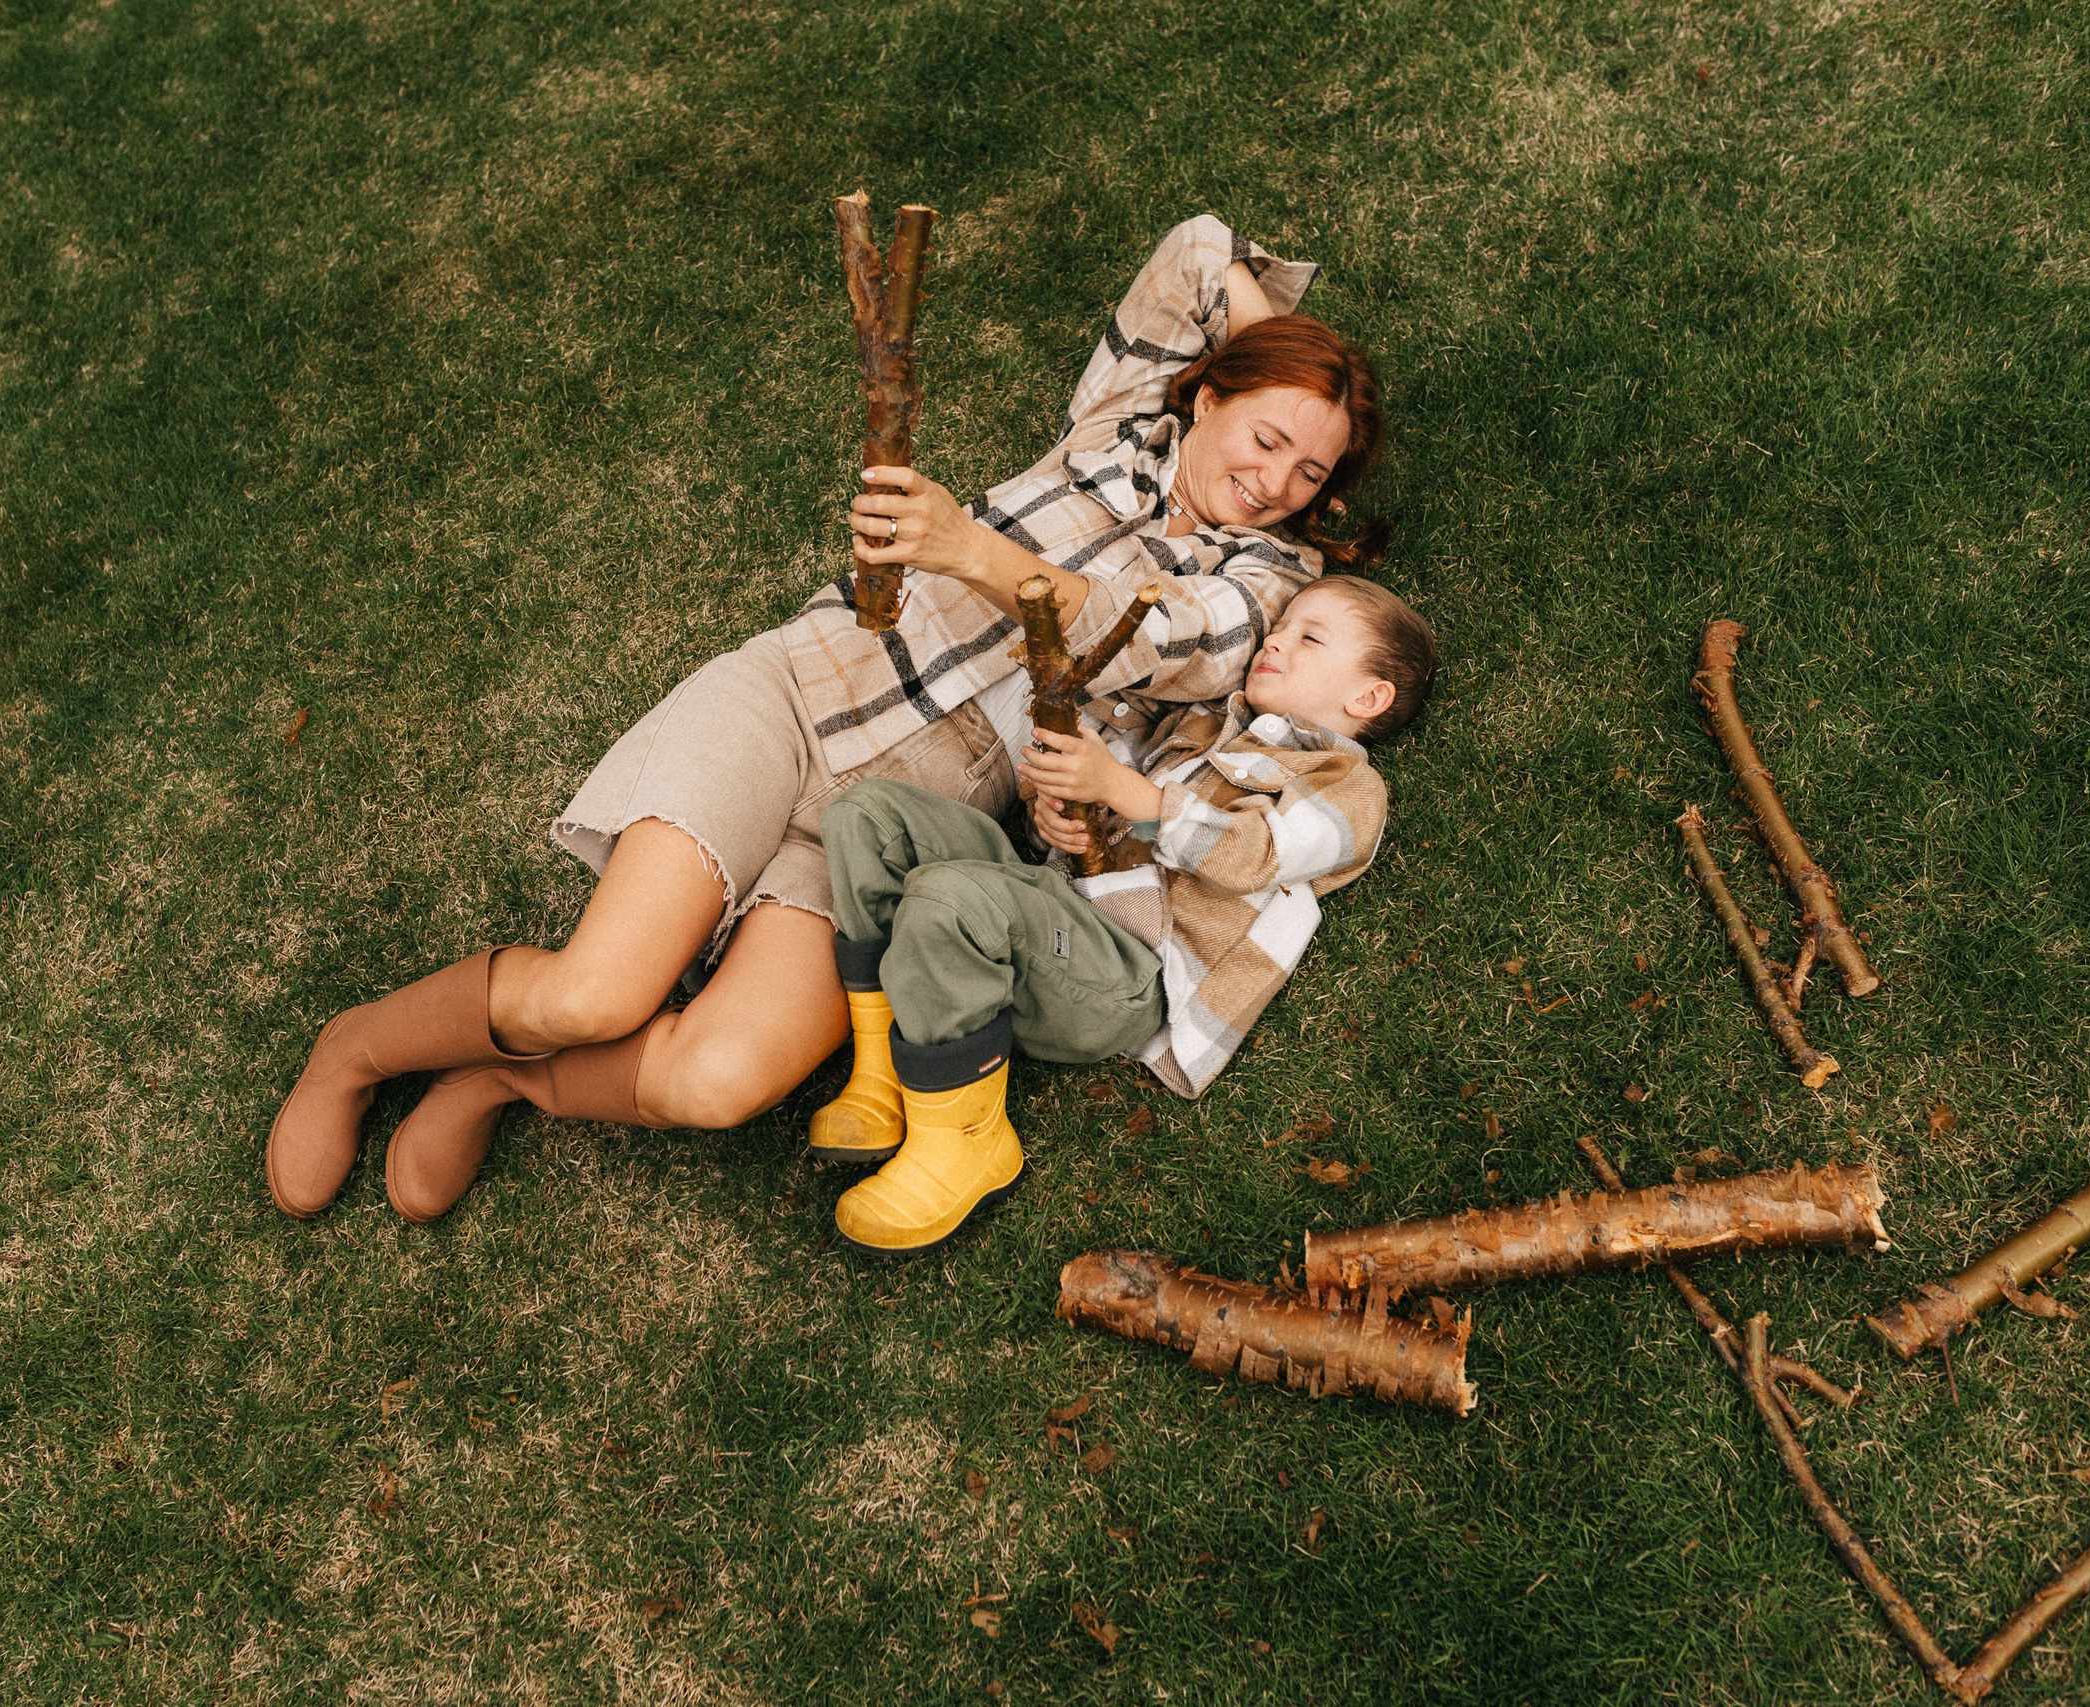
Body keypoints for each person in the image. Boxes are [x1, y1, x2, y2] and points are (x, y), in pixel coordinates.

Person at [265, 215, 1391, 1223]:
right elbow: (1198, 248)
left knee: (717, 1081)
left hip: (889, 831)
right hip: (807, 694)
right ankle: (354, 1050)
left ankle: (498, 1078)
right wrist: (1308, 368)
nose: (1278, 478)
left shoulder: (1267, 588)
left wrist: (967, 548)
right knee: (598, 992)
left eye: (1311, 468)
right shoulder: (1115, 422)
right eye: (1263, 435)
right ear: (1206, 394)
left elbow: (1140, 635)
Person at [808, 575, 1436, 1254]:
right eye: (1280, 626)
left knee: (951, 900)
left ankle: (966, 1145)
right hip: (1057, 900)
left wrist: (1128, 792)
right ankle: (881, 1076)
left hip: (1131, 974)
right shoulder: (1203, 724)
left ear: (1367, 696)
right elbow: (1101, 809)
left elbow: (1254, 854)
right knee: (866, 815)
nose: (1275, 640)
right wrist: (1063, 817)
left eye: (1309, 637)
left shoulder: (1348, 787)